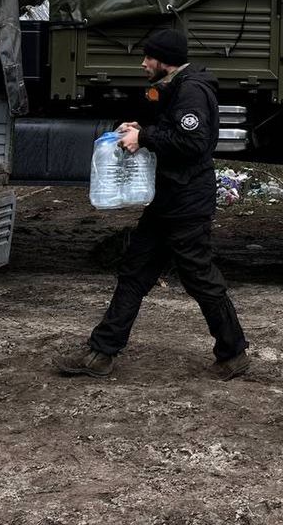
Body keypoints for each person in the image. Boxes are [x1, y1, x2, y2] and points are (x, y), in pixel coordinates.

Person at [56, 29, 250, 380]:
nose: (143, 63)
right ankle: (101, 353)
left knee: (200, 277)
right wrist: (139, 128)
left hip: (187, 201)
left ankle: (233, 353)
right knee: (135, 271)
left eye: (148, 56)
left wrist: (144, 137)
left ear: (165, 59)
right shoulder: (176, 85)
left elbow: (192, 140)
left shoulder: (192, 89)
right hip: (168, 199)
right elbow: (172, 130)